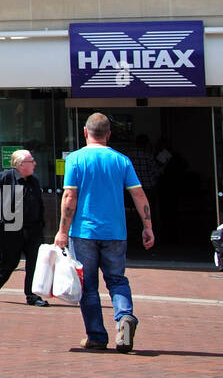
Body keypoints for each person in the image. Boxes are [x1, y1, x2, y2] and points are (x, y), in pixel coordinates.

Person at [54, 112, 154, 352]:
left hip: (84, 231)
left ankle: (97, 336)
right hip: (116, 232)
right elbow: (138, 194)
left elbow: (70, 196)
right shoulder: (122, 160)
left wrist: (62, 231)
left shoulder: (76, 159)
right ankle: (124, 317)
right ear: (108, 134)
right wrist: (147, 226)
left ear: (85, 132)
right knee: (117, 280)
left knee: (88, 286)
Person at [0, 149, 47, 306]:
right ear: (21, 165)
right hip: (10, 230)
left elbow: (39, 203)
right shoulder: (2, 178)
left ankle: (32, 295)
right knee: (9, 262)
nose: (34, 163)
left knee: (34, 263)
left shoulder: (34, 180)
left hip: (32, 229)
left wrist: (40, 224)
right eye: (31, 161)